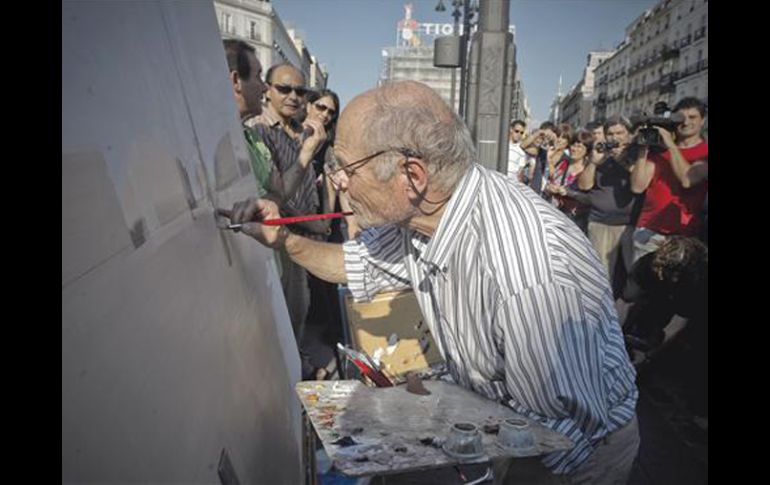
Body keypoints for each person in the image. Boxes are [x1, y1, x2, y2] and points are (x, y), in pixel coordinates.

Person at [225, 81, 639, 483]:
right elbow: (354, 264)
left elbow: (555, 427)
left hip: (568, 457)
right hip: (518, 428)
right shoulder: (423, 214)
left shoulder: (528, 272)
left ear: (413, 176)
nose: (339, 183)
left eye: (347, 169)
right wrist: (282, 238)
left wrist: (423, 423)